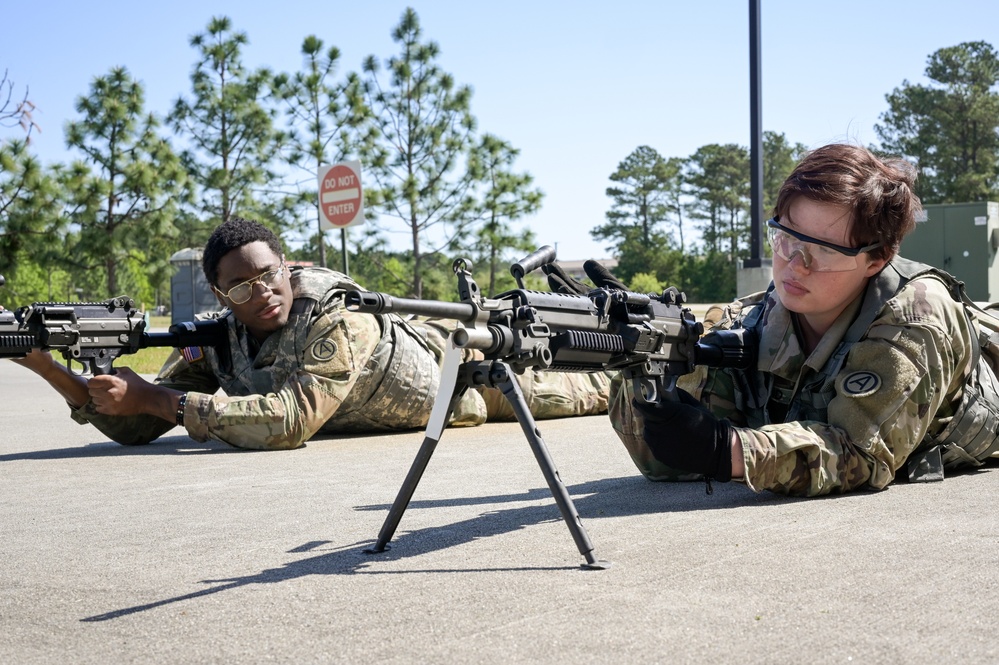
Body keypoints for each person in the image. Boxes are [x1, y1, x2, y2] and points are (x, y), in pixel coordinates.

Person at [11, 217, 611, 450]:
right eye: (241, 288)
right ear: (221, 296)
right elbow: (140, 424)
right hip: (405, 399)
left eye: (270, 275)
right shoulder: (227, 336)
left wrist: (157, 396)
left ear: (287, 268)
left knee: (598, 384)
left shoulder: (334, 311)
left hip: (463, 381)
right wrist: (47, 367)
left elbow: (288, 420)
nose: (263, 292)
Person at [609, 143, 999, 497]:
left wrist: (726, 450)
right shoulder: (760, 317)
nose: (795, 265)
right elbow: (668, 461)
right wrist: (638, 360)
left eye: (823, 252)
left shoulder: (916, 314)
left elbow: (857, 454)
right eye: (786, 238)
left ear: (876, 260)